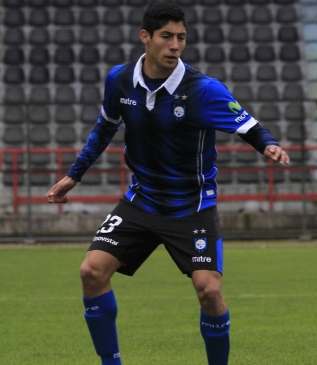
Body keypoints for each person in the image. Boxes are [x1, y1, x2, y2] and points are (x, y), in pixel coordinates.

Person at [45, 3, 289, 365]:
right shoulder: (120, 79)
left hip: (192, 207)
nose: (175, 45)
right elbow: (105, 128)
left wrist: (267, 144)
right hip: (141, 202)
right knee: (91, 272)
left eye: (181, 38)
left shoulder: (203, 90)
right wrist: (73, 175)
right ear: (146, 37)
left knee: (209, 291)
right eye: (167, 37)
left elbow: (250, 124)